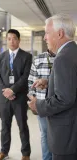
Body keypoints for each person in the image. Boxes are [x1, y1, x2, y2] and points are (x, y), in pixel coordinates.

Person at [28, 14, 77, 160]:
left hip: (66, 136)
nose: (45, 38)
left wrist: (39, 105)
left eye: (47, 33)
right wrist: (50, 82)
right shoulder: (73, 52)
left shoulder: (63, 58)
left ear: (60, 34)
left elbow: (64, 99)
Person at [0, 29, 32, 160]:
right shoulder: (1, 56)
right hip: (4, 98)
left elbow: (25, 76)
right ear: (6, 40)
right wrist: (6, 91)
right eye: (9, 38)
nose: (11, 41)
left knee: (22, 126)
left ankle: (26, 154)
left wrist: (13, 90)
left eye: (14, 38)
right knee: (5, 126)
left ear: (19, 40)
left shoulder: (26, 56)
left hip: (19, 97)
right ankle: (4, 151)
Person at [28, 49, 55, 160]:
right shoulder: (38, 59)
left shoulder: (63, 56)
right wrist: (33, 99)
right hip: (42, 104)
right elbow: (30, 82)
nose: (46, 39)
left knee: (57, 135)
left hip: (57, 103)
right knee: (45, 134)